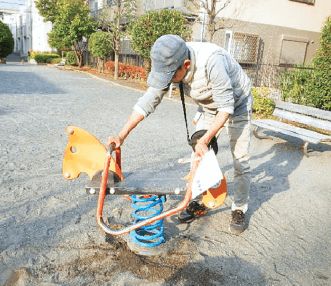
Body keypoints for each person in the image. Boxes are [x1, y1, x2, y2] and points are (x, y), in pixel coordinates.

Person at [107, 34, 252, 235]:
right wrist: (121, 136)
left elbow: (226, 107)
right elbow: (148, 101)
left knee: (240, 159)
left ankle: (239, 208)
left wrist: (206, 138)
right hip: (209, 107)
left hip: (237, 104)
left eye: (170, 76)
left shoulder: (212, 61)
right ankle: (200, 201)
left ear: (185, 64)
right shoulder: (171, 59)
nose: (167, 81)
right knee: (199, 157)